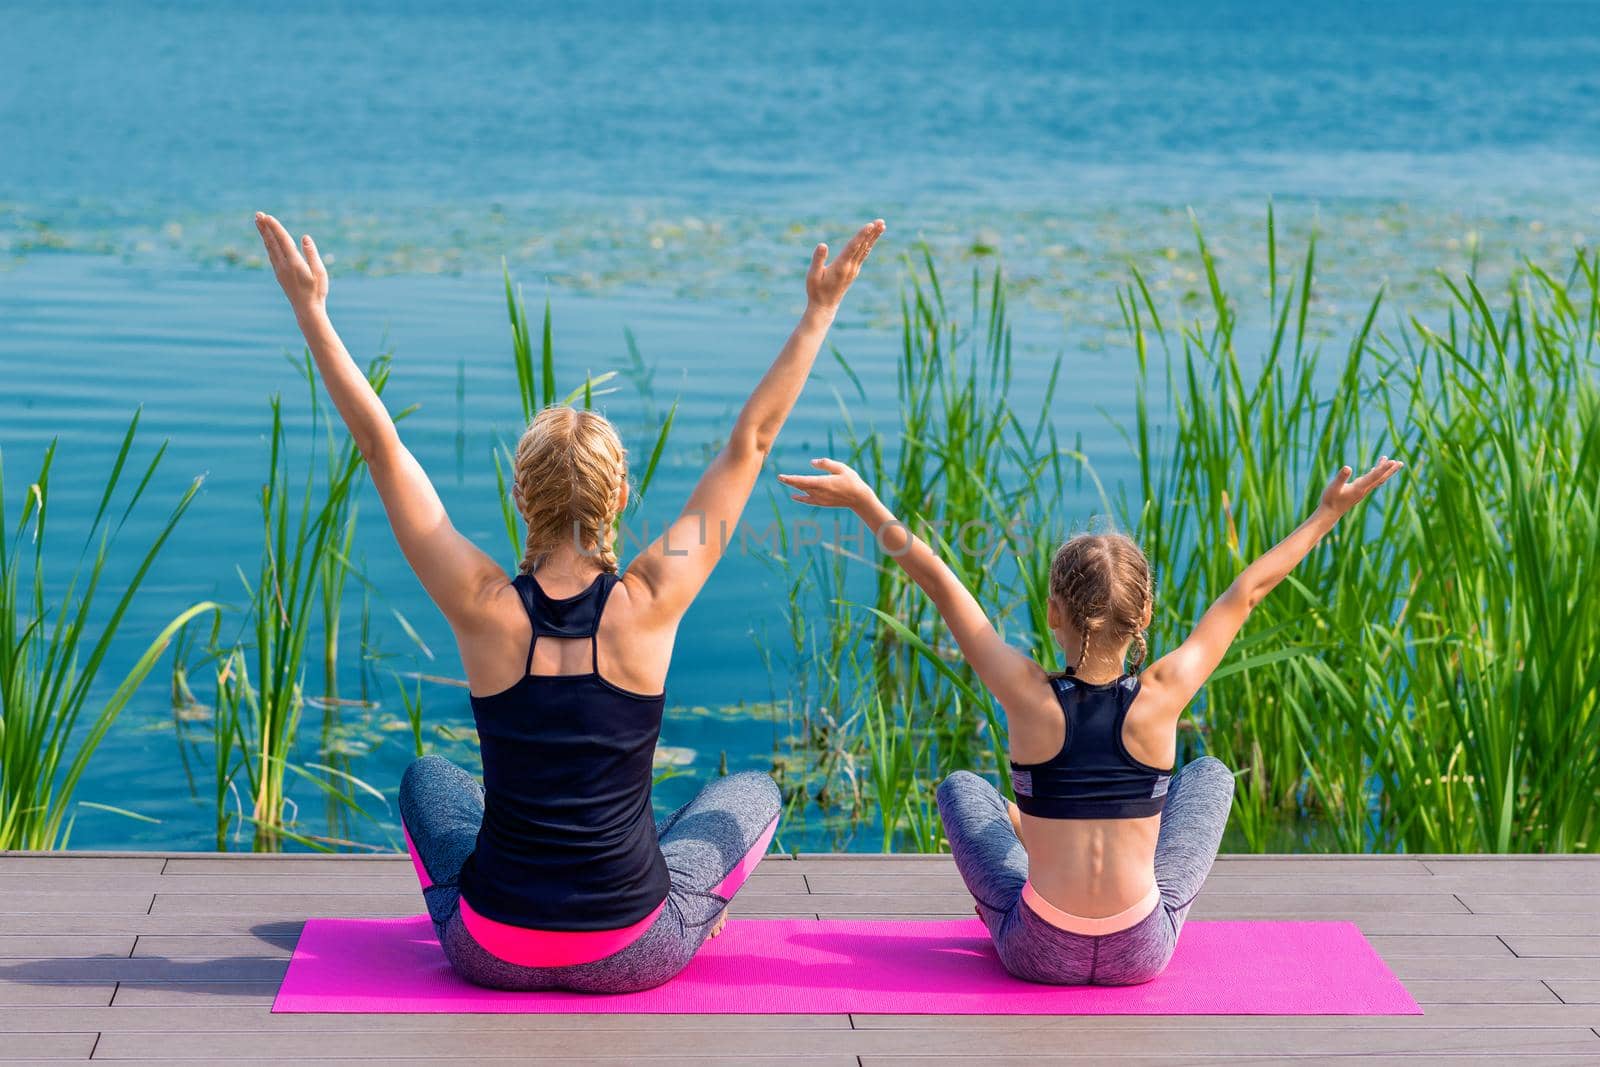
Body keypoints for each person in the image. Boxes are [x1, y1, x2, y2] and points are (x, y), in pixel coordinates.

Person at [254, 211, 885, 992]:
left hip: (491, 949)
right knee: (754, 792)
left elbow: (382, 447)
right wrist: (820, 307)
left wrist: (311, 309)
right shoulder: (654, 595)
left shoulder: (481, 602)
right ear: (621, 494)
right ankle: (686, 900)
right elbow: (750, 442)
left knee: (425, 778)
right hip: (631, 948)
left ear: (521, 495)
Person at [778, 454, 1402, 984]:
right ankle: (1075, 848)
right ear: (1145, 615)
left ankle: (1033, 833)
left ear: (1054, 613)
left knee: (963, 789)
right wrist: (1327, 514)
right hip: (1142, 950)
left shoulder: (1026, 695)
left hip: (1035, 950)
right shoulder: (1164, 693)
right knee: (1210, 774)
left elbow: (939, 583)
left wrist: (864, 500)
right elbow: (1247, 592)